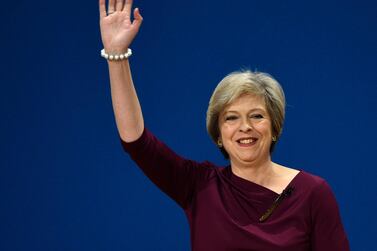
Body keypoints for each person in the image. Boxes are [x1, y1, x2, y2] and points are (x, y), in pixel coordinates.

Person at [99, 0, 350, 250]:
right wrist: (116, 57)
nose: (245, 127)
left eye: (257, 116)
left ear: (274, 127)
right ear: (218, 134)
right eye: (231, 118)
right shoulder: (199, 185)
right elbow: (137, 143)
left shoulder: (313, 193)